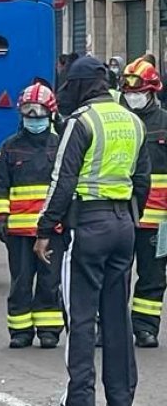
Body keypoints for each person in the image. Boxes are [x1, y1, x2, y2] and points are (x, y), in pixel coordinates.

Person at [37, 56, 150, 406]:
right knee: (117, 317)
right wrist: (130, 218)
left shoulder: (80, 121)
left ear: (82, 86)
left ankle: (80, 397)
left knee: (82, 317)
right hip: (123, 226)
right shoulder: (133, 122)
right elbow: (141, 180)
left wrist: (45, 228)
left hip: (88, 225)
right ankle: (120, 395)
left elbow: (63, 180)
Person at [0, 82, 65, 349]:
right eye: (28, 111)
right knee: (21, 282)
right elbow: (0, 185)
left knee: (49, 281)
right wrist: (0, 218)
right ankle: (20, 331)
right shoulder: (9, 147)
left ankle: (48, 330)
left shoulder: (61, 147)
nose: (33, 117)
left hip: (52, 229)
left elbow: (67, 186)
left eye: (39, 112)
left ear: (51, 113)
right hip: (19, 231)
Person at [117, 57, 167, 348]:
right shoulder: (117, 122)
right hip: (122, 214)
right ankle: (110, 326)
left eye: (138, 92)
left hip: (158, 220)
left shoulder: (165, 124)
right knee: (114, 274)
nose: (132, 97)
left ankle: (145, 327)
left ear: (152, 91)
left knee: (153, 276)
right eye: (128, 92)